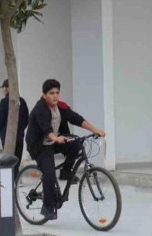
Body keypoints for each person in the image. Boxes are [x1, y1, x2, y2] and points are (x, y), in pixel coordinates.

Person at [26, 79, 105, 221]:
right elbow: (46, 128)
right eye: (51, 93)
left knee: (77, 144)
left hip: (55, 140)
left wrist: (95, 130)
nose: (55, 96)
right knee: (49, 173)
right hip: (40, 145)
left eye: (57, 93)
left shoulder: (60, 107)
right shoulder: (40, 109)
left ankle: (66, 172)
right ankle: (48, 206)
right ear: (44, 95)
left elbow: (76, 118)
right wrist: (55, 138)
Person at [0, 79, 29, 177]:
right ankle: (16, 178)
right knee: (17, 158)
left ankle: (11, 179)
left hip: (7, 137)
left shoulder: (4, 101)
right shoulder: (21, 101)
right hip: (19, 136)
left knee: (8, 159)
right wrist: (21, 129)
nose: (5, 89)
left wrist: (0, 131)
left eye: (7, 87)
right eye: (3, 87)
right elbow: (26, 119)